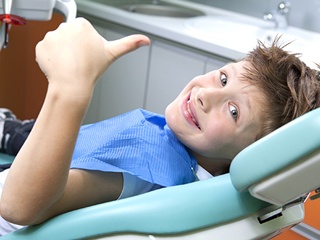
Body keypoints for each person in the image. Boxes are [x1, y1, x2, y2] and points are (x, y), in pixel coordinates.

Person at [0, 17, 319, 235]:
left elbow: (19, 207)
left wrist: (70, 88)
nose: (206, 95)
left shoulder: (146, 170)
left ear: (248, 155)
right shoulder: (184, 167)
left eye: (233, 111)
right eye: (223, 78)